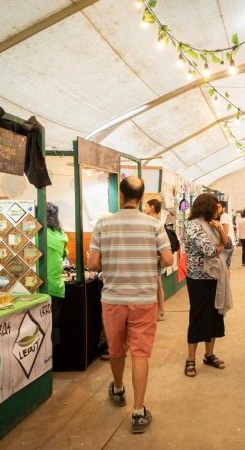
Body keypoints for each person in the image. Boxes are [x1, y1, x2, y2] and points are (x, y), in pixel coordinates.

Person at [87, 176, 173, 434]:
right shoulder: (154, 225)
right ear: (142, 198)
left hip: (113, 299)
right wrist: (150, 263)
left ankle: (118, 389)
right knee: (140, 353)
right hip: (144, 299)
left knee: (116, 349)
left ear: (121, 196)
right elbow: (168, 259)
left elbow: (93, 264)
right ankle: (138, 411)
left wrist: (114, 263)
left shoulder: (103, 224)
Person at [184, 193, 233, 377]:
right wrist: (221, 246)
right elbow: (210, 250)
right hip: (198, 279)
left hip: (215, 277)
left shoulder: (213, 224)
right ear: (207, 207)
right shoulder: (193, 225)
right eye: (216, 207)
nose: (218, 210)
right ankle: (190, 359)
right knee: (198, 317)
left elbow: (229, 245)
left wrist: (220, 231)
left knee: (214, 316)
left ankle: (209, 354)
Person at [46, 203, 69, 348]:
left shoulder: (36, 234)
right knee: (54, 324)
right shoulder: (62, 236)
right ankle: (55, 354)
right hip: (56, 286)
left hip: (37, 288)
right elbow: (64, 255)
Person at [146, 199, 167, 321]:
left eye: (147, 206)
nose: (145, 208)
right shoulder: (154, 222)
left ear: (152, 207)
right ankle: (159, 310)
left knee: (158, 283)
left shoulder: (155, 223)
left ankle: (160, 310)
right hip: (154, 257)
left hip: (155, 257)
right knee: (157, 283)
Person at [217, 201, 234, 268]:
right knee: (226, 267)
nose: (217, 209)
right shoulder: (225, 216)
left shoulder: (224, 216)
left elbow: (225, 232)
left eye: (219, 207)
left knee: (223, 267)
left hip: (226, 244)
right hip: (229, 243)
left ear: (223, 208)